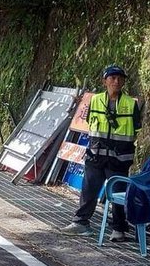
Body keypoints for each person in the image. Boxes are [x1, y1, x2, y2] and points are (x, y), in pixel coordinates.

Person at [61, 65, 143, 240]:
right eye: (112, 77)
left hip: (119, 158)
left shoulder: (131, 104)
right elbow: (91, 123)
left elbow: (136, 128)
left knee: (118, 194)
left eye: (120, 78)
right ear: (104, 81)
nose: (116, 81)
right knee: (89, 189)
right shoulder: (95, 100)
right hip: (96, 155)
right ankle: (80, 223)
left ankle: (119, 230)